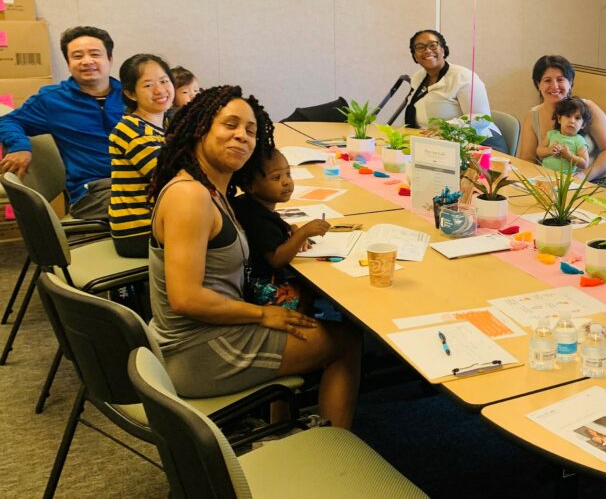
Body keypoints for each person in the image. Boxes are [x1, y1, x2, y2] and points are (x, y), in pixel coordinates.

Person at [148, 85, 361, 428]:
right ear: (201, 127)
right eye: (230, 125)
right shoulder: (190, 197)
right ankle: (333, 445)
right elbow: (185, 298)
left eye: (250, 130)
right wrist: (263, 315)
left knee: (303, 305)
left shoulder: (212, 191)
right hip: (200, 351)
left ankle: (284, 425)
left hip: (206, 334)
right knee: (346, 340)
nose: (242, 137)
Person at [0, 26, 124, 220]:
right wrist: (19, 146)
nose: (87, 61)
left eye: (95, 54)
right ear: (68, 64)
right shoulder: (52, 100)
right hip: (92, 192)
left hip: (138, 182)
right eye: (77, 56)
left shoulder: (132, 95)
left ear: (109, 59)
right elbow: (8, 120)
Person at [232, 148, 331, 312]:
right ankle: (305, 319)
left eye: (288, 174)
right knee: (312, 289)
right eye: (276, 177)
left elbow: (276, 227)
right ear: (250, 186)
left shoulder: (247, 204)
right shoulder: (258, 219)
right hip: (262, 290)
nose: (286, 182)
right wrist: (304, 232)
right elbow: (277, 259)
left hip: (249, 281)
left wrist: (292, 230)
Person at [517, 55, 606, 185]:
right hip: (555, 182)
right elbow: (527, 159)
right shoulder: (532, 116)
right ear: (538, 85)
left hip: (599, 180)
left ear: (570, 83)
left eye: (560, 80)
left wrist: (583, 176)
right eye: (547, 80)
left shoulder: (588, 109)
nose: (554, 86)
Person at [108, 54, 174, 257]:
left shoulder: (163, 124)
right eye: (148, 85)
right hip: (138, 231)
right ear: (131, 93)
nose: (160, 90)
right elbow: (170, 178)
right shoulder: (131, 129)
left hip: (154, 222)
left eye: (164, 81)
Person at [404, 29, 507, 153]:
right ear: (415, 56)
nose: (427, 50)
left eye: (433, 45)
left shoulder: (463, 76)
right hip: (438, 146)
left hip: (478, 145)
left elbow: (482, 118)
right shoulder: (418, 77)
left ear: (443, 49)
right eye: (420, 47)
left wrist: (445, 128)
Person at [538, 97, 590, 174]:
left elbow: (584, 164)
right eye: (568, 116)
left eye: (577, 118)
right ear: (559, 119)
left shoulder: (579, 140)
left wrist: (568, 155)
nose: (572, 121)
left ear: (583, 124)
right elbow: (539, 151)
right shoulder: (551, 134)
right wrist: (549, 150)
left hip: (564, 180)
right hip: (545, 173)